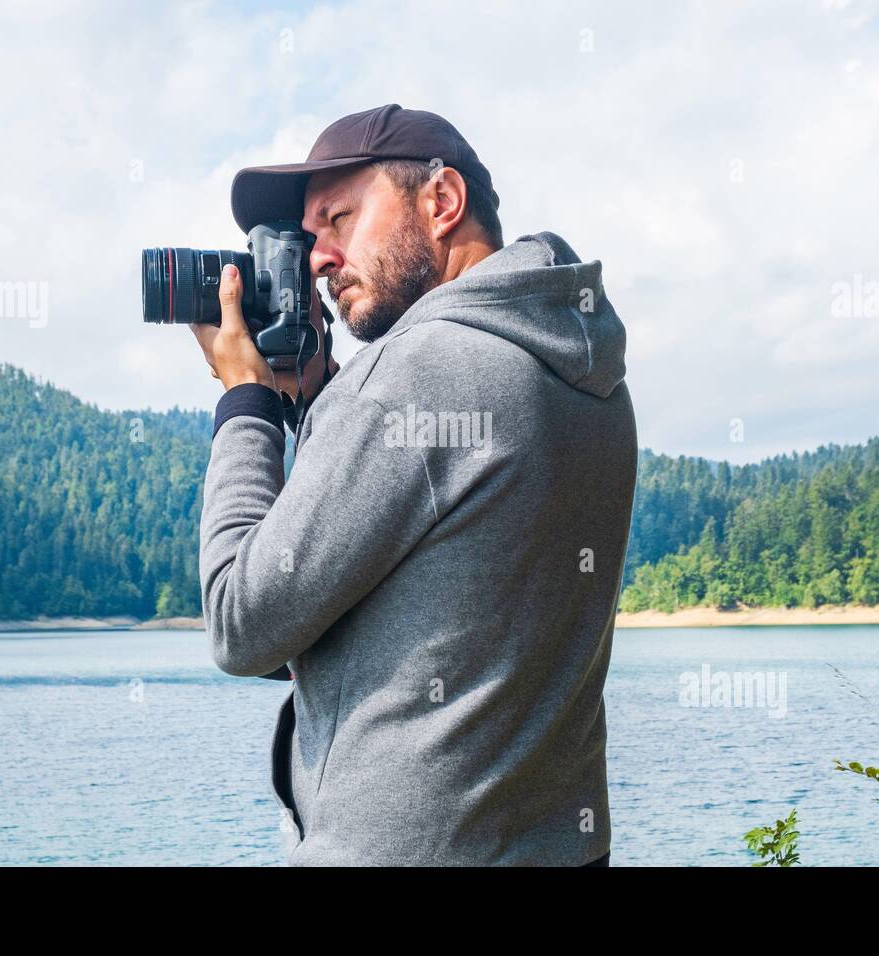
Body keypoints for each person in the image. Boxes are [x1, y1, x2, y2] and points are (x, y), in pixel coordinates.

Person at [192, 104, 636, 866]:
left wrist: (248, 401)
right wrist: (325, 399)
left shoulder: (415, 374)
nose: (319, 260)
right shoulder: (581, 366)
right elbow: (428, 578)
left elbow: (243, 624)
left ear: (441, 202)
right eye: (308, 239)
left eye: (339, 218)